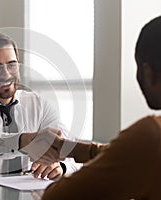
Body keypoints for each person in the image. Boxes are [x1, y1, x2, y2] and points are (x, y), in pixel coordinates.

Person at [41, 15, 161, 199]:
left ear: (148, 73)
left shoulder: (151, 135)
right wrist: (70, 148)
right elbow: (130, 157)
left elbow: (57, 196)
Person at [0, 32, 82, 179]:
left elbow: (71, 154)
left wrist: (60, 167)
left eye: (12, 65)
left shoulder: (39, 105)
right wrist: (25, 142)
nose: (6, 74)